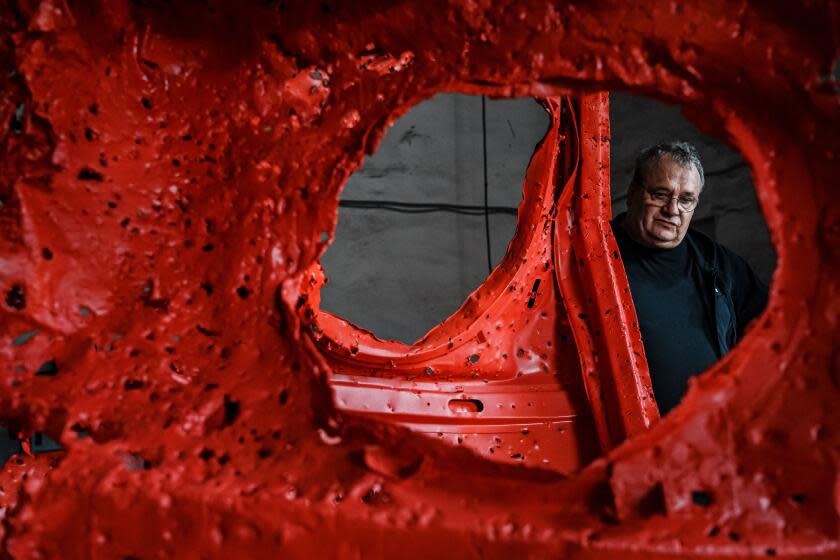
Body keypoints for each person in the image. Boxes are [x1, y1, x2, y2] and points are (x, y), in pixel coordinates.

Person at [611, 142, 768, 414]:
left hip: (708, 437)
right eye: (661, 195)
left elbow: (772, 327)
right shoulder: (595, 255)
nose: (673, 210)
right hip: (628, 441)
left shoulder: (717, 263)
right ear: (633, 193)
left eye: (686, 200)